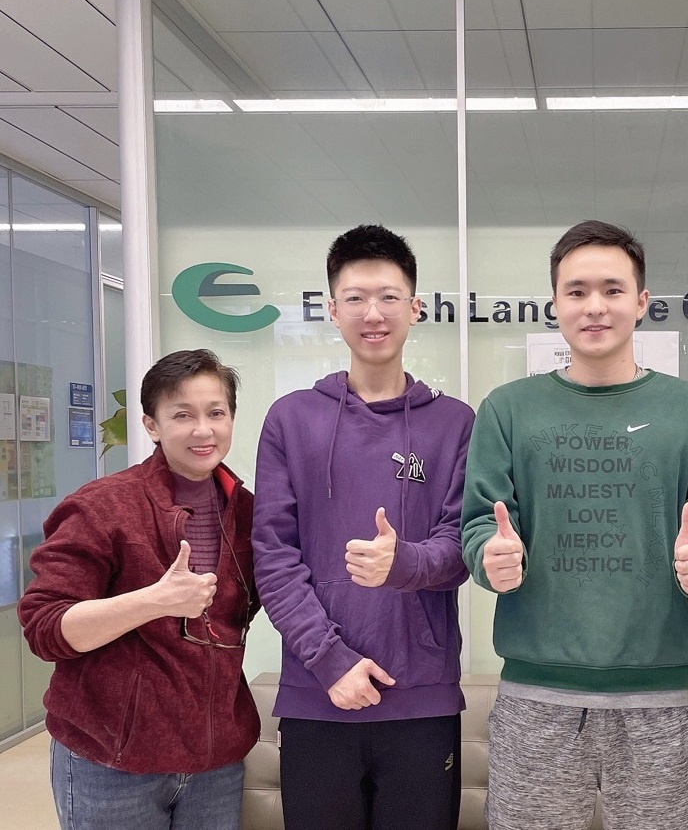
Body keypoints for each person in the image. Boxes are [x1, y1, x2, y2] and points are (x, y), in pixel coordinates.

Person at [461, 219, 688, 830]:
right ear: (554, 304)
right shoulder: (507, 410)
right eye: (577, 291)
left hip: (656, 694)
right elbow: (480, 523)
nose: (595, 306)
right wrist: (490, 556)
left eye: (613, 290)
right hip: (535, 695)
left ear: (642, 302)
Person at [252, 224, 474, 830]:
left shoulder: (454, 423)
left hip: (422, 695)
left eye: (388, 297)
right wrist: (330, 661)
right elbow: (273, 556)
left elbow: (462, 547)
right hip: (317, 695)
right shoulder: (291, 419)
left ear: (415, 307)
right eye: (355, 298)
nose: (373, 314)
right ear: (332, 310)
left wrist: (403, 564)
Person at [19, 349, 257, 830]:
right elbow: (45, 628)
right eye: (182, 415)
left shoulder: (250, 513)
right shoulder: (102, 506)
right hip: (110, 759)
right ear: (151, 425)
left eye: (216, 413)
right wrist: (154, 601)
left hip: (215, 761)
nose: (203, 430)